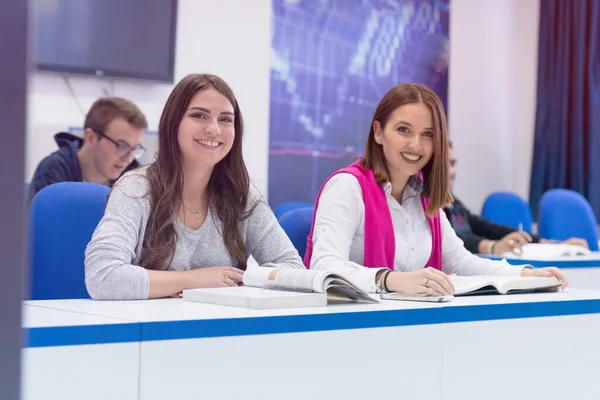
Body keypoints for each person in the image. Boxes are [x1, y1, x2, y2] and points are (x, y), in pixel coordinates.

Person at [304, 83, 567, 296]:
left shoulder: (424, 197)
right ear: (378, 132)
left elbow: (462, 263)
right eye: (403, 130)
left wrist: (524, 274)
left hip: (415, 326)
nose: (416, 146)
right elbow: (325, 267)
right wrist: (391, 280)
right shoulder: (347, 187)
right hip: (350, 330)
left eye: (428, 134)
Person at [85, 74, 305, 300]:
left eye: (225, 119)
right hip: (150, 330)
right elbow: (102, 277)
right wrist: (194, 280)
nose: (214, 129)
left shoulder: (241, 195)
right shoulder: (137, 189)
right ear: (173, 123)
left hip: (219, 328)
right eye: (199, 116)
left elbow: (293, 270)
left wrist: (245, 282)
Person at [445, 141, 588, 255]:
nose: (451, 172)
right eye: (445, 165)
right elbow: (446, 240)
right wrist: (492, 246)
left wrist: (550, 244)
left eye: (452, 164)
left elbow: (490, 229)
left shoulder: (454, 203)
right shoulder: (426, 206)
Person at [28, 97, 148, 203]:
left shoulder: (133, 178)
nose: (128, 158)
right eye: (122, 146)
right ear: (91, 138)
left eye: (134, 148)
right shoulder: (53, 170)